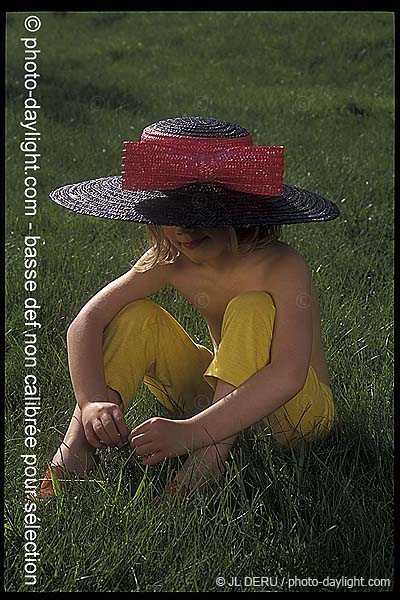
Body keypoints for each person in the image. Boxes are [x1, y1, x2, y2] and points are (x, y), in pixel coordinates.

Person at [38, 116, 339, 498]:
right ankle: (76, 451)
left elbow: (289, 374)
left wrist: (194, 432)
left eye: (201, 215)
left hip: (296, 415)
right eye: (170, 215)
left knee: (251, 307)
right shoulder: (169, 259)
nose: (184, 230)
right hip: (218, 400)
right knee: (136, 316)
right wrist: (92, 399)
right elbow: (87, 320)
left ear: (240, 211)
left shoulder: (280, 265)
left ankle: (206, 461)